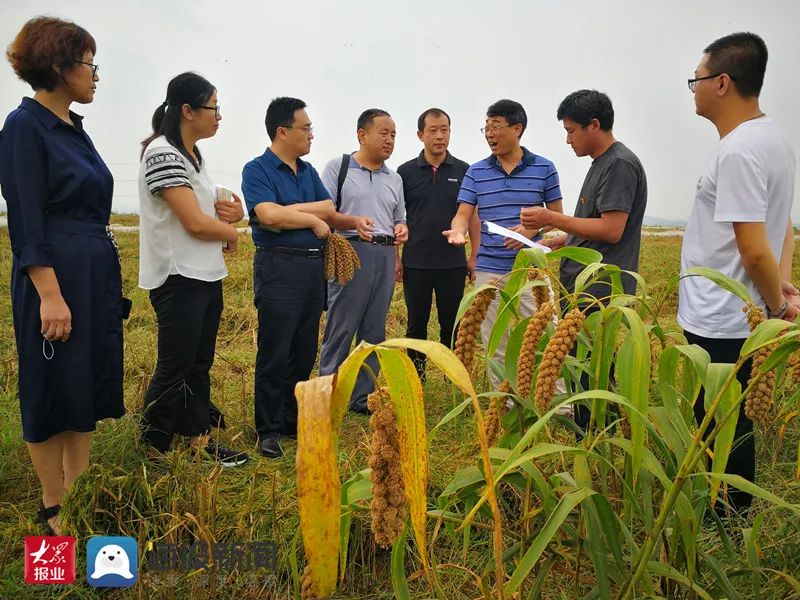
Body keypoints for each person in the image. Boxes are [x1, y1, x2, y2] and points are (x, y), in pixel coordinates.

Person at [0, 17, 126, 535]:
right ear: (60, 64)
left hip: (92, 272)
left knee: (82, 386)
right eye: (91, 64)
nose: (96, 75)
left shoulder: (76, 129)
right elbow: (26, 215)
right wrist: (49, 294)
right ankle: (53, 509)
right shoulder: (24, 126)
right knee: (50, 384)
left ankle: (79, 493)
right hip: (54, 276)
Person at [679, 32, 797, 514]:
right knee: (732, 415)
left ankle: (725, 518)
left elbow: (752, 249)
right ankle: (728, 510)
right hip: (737, 313)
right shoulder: (772, 141)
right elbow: (783, 226)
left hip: (724, 317)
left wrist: (774, 306)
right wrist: (784, 288)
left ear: (722, 82)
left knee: (723, 420)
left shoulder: (739, 151)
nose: (694, 89)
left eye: (697, 79)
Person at [520, 90, 647, 432]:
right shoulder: (601, 164)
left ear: (595, 125)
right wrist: (553, 240)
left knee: (592, 367)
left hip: (600, 289)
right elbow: (590, 226)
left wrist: (552, 217)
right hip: (583, 286)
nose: (567, 139)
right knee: (581, 365)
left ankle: (594, 438)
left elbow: (611, 229)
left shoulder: (619, 164)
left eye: (572, 130)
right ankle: (588, 431)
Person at [138, 72, 248, 467]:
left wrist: (233, 213)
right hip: (177, 275)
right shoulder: (162, 153)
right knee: (175, 367)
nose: (219, 116)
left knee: (198, 365)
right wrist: (231, 233)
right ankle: (153, 449)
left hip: (204, 274)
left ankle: (198, 443)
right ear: (187, 110)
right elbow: (194, 223)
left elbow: (208, 212)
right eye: (213, 108)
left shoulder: (194, 157)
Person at [444, 99, 563, 387]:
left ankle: (558, 401)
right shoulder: (477, 172)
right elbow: (462, 215)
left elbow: (557, 217)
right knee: (494, 339)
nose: (489, 134)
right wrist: (458, 232)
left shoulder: (544, 168)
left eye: (496, 127)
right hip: (488, 269)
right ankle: (503, 403)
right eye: (485, 128)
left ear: (517, 128)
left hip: (531, 269)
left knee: (546, 333)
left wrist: (528, 229)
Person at [241, 97, 334, 459]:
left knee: (303, 349)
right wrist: (309, 219)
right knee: (274, 351)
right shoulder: (257, 169)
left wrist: (287, 210)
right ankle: (267, 428)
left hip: (312, 268)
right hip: (278, 267)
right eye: (306, 128)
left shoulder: (308, 172)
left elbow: (329, 207)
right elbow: (266, 215)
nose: (311, 134)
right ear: (283, 131)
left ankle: (291, 417)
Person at [318, 109, 408, 414]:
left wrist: (401, 233)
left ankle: (360, 398)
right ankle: (326, 395)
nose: (390, 140)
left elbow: (399, 219)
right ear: (362, 135)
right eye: (383, 133)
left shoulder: (394, 178)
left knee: (374, 331)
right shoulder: (339, 167)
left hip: (384, 254)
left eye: (393, 134)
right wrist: (352, 221)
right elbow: (324, 212)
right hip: (350, 251)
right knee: (341, 326)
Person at [396, 108, 478, 378]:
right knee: (416, 325)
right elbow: (395, 217)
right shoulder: (405, 172)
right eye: (433, 130)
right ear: (421, 135)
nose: (440, 136)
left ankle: (452, 377)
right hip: (416, 262)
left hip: (452, 262)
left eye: (445, 130)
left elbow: (473, 216)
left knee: (452, 324)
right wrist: (396, 258)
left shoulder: (465, 171)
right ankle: (416, 379)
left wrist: (473, 255)